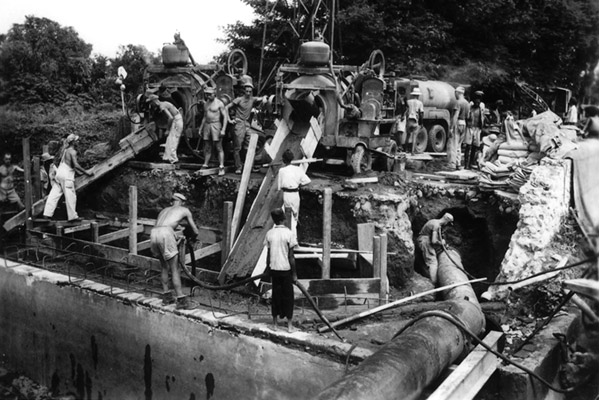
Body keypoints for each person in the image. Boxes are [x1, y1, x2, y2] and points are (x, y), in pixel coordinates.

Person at [151, 193, 200, 310]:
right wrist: (193, 238)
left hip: (154, 233)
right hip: (166, 233)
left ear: (172, 201)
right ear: (182, 202)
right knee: (175, 268)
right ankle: (181, 299)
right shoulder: (184, 210)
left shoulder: (163, 210)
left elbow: (161, 228)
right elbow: (195, 230)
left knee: (163, 266)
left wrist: (174, 236)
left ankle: (166, 297)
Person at [43, 135, 93, 221]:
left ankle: (47, 214)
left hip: (60, 173)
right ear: (73, 142)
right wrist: (87, 172)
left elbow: (71, 166)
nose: (78, 142)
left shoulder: (65, 151)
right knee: (70, 195)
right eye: (76, 141)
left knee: (54, 194)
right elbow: (76, 165)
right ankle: (72, 216)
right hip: (66, 175)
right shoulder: (72, 151)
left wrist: (80, 173)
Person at [264, 208, 298, 332]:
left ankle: (275, 325)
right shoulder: (289, 233)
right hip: (285, 269)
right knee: (288, 297)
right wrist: (294, 274)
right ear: (283, 219)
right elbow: (291, 257)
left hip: (274, 269)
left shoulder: (269, 233)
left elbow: (268, 255)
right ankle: (289, 326)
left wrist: (268, 269)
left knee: (276, 296)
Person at [226, 82, 266, 174]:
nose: (248, 93)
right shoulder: (239, 100)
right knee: (238, 147)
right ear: (244, 91)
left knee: (250, 146)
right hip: (239, 124)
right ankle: (238, 167)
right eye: (247, 91)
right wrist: (229, 119)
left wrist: (265, 98)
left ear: (251, 92)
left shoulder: (252, 99)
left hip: (247, 124)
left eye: (250, 91)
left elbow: (261, 98)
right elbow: (226, 107)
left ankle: (249, 167)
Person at [277, 149, 311, 236]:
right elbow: (307, 181)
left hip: (287, 195)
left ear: (284, 160)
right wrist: (299, 185)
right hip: (295, 194)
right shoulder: (297, 169)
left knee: (288, 216)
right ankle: (293, 237)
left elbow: (279, 187)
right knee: (295, 216)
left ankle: (291, 237)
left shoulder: (282, 170)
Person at [417, 213, 453, 285]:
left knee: (429, 260)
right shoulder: (436, 226)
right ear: (446, 220)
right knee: (433, 262)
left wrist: (443, 244)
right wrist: (441, 243)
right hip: (425, 241)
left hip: (423, 240)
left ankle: (428, 276)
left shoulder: (434, 221)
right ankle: (434, 284)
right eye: (448, 223)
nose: (447, 225)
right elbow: (433, 241)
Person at [198, 87, 227, 175]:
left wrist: (223, 130)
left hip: (216, 125)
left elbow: (225, 116)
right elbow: (204, 116)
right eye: (207, 94)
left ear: (214, 94)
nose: (208, 96)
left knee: (218, 147)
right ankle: (205, 164)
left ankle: (221, 166)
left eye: (210, 94)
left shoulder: (219, 103)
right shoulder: (206, 103)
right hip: (207, 125)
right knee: (207, 146)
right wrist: (200, 128)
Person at [147, 94, 184, 164]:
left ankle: (173, 159)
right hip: (177, 119)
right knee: (169, 139)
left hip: (176, 121)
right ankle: (167, 158)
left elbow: (170, 117)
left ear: (154, 102)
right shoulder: (164, 103)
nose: (151, 105)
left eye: (151, 103)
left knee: (173, 140)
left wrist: (168, 130)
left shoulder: (162, 106)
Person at [447, 86, 470, 170]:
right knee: (459, 145)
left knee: (453, 144)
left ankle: (452, 164)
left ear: (458, 93)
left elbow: (455, 116)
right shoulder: (467, 103)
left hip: (457, 123)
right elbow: (468, 116)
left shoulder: (458, 102)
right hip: (464, 123)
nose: (455, 95)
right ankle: (458, 163)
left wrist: (451, 128)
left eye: (455, 93)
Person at [465, 94, 485, 169]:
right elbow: (467, 117)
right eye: (476, 101)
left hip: (477, 128)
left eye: (478, 102)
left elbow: (482, 119)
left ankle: (470, 163)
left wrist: (481, 128)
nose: (477, 103)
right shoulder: (470, 108)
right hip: (470, 128)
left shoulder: (481, 109)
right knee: (468, 145)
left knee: (475, 146)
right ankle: (466, 164)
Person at [405, 87, 424, 152]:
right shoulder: (420, 103)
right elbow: (421, 113)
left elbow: (406, 111)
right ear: (418, 95)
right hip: (415, 121)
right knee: (414, 136)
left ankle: (406, 149)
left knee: (408, 135)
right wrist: (421, 123)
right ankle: (412, 152)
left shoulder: (408, 101)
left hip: (409, 120)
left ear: (413, 95)